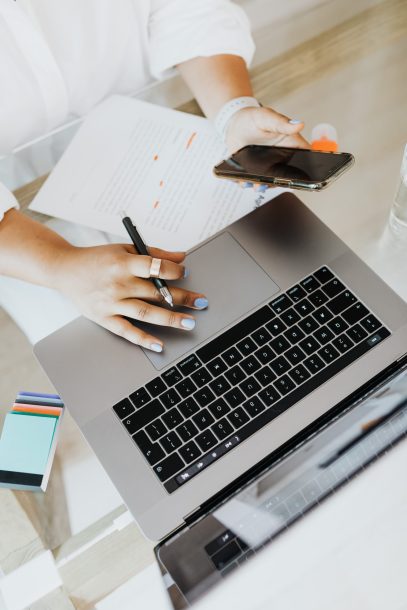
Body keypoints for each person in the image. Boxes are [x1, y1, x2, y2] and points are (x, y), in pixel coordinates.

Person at [0, 0, 307, 351]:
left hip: (158, 151)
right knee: (102, 353)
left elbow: (186, 9)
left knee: (273, 295)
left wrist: (233, 111)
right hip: (18, 219)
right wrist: (59, 265)